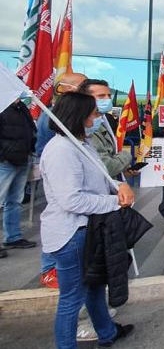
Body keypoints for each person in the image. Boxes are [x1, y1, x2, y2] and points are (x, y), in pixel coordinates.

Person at [40, 92, 135, 348]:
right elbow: (71, 200)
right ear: (78, 116)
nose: (97, 118)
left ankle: (107, 332)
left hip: (90, 228)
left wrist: (118, 186)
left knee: (94, 287)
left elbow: (100, 176)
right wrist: (114, 202)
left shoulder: (82, 143)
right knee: (72, 298)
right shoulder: (61, 151)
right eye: (93, 114)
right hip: (72, 233)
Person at [35, 72, 87, 289]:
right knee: (59, 214)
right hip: (60, 174)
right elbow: (49, 148)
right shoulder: (52, 117)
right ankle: (49, 268)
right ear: (64, 88)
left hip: (72, 173)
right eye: (83, 86)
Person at [79, 80, 139, 180]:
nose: (107, 99)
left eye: (109, 96)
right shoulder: (87, 127)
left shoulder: (105, 119)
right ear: (85, 99)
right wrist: (126, 156)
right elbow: (105, 166)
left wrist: (122, 170)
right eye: (101, 96)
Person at [0, 94, 37, 255]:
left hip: (22, 159)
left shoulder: (21, 108)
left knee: (14, 201)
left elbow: (31, 130)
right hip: (5, 162)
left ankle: (13, 237)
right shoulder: (3, 108)